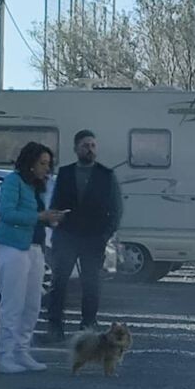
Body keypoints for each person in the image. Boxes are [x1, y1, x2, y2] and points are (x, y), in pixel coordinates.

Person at [0, 141, 66, 372]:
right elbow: (7, 214)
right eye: (42, 163)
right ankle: (4, 355)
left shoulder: (39, 186)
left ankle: (21, 351)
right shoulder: (13, 181)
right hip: (13, 247)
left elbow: (37, 216)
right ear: (30, 163)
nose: (46, 168)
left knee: (32, 304)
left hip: (35, 247)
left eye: (48, 163)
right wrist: (39, 216)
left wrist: (50, 218)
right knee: (12, 303)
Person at [46, 129, 124, 340]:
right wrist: (56, 223)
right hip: (66, 237)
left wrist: (105, 235)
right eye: (85, 146)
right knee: (59, 283)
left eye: (92, 145)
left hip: (93, 238)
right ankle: (55, 326)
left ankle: (88, 325)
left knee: (91, 284)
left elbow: (116, 210)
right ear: (76, 149)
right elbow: (55, 203)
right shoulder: (65, 173)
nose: (89, 149)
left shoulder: (106, 175)